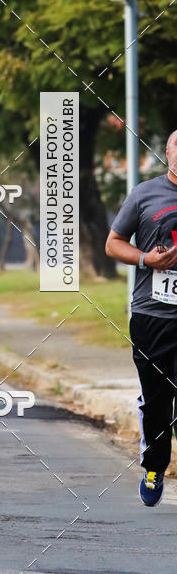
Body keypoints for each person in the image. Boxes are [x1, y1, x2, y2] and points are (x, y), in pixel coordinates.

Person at [106, 129, 177, 507]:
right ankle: (154, 466)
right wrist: (146, 259)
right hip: (152, 315)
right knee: (157, 401)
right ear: (167, 151)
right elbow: (113, 244)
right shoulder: (144, 194)